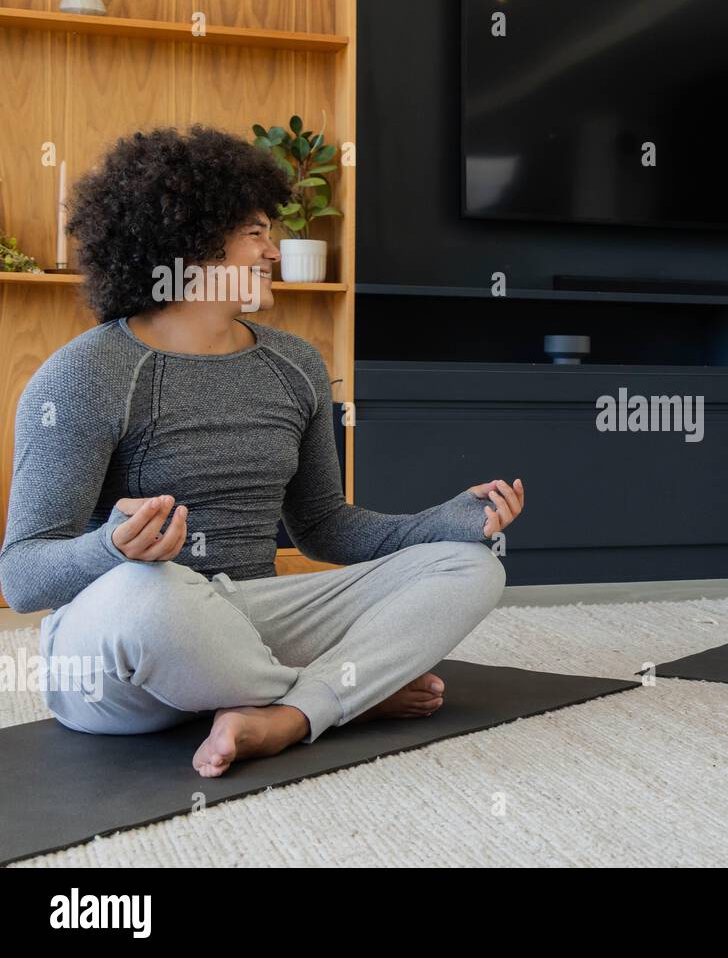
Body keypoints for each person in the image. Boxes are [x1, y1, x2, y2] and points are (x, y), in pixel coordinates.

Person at [0, 125, 524, 777]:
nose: (273, 250)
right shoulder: (84, 374)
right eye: (255, 232)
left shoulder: (294, 364)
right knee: (150, 592)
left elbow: (324, 527)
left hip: (246, 624)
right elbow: (20, 578)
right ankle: (337, 695)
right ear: (188, 245)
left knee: (470, 567)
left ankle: (282, 714)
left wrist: (445, 521)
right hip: (121, 646)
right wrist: (113, 547)